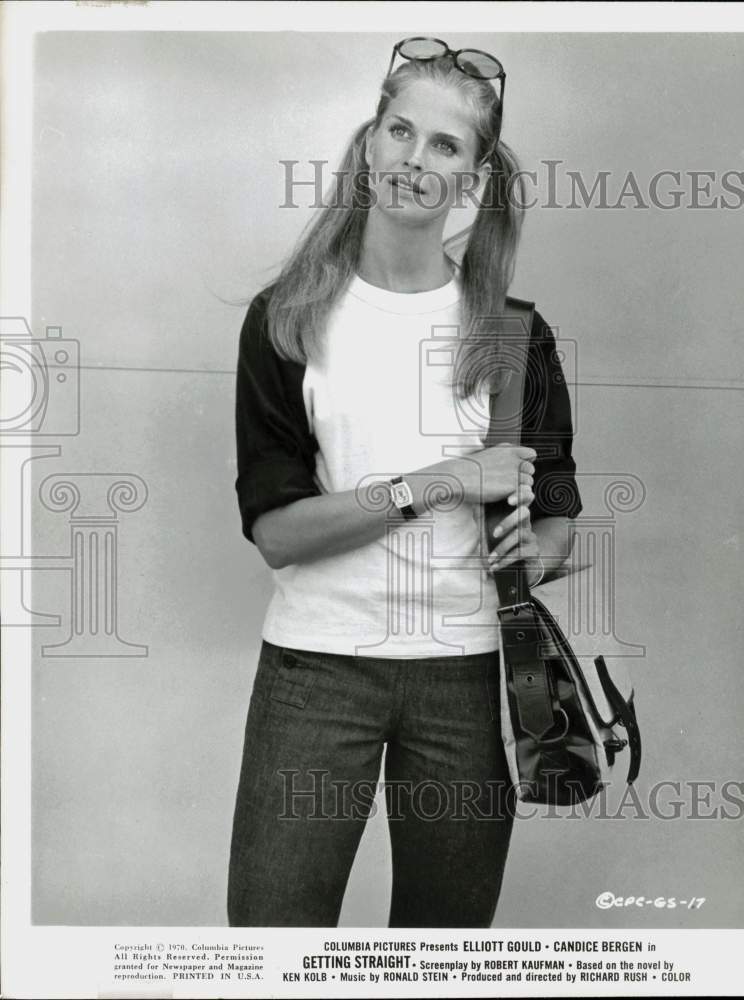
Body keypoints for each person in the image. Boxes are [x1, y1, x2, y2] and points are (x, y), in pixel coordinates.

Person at [227, 37, 582, 928]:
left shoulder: (510, 334)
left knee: (442, 955)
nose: (414, 161)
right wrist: (440, 481)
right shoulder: (287, 319)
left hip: (464, 679)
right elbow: (276, 532)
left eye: (445, 146)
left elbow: (560, 517)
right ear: (369, 144)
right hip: (316, 672)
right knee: (275, 950)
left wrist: (532, 553)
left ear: (474, 177)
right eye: (400, 131)